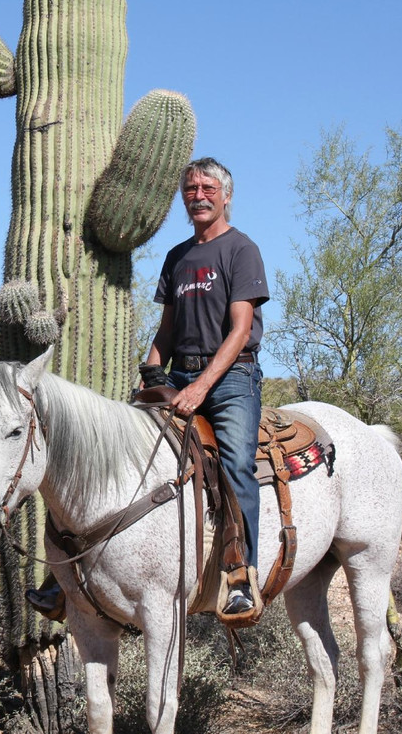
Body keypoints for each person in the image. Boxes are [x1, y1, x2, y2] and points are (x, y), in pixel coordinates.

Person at [144, 157, 269, 615]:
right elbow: (166, 330)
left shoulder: (241, 249)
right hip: (179, 373)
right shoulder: (177, 257)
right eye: (190, 188)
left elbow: (239, 331)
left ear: (226, 195)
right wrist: (149, 374)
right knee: (122, 442)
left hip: (232, 376)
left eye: (207, 187)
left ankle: (239, 576)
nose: (198, 195)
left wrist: (201, 388)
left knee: (237, 464)